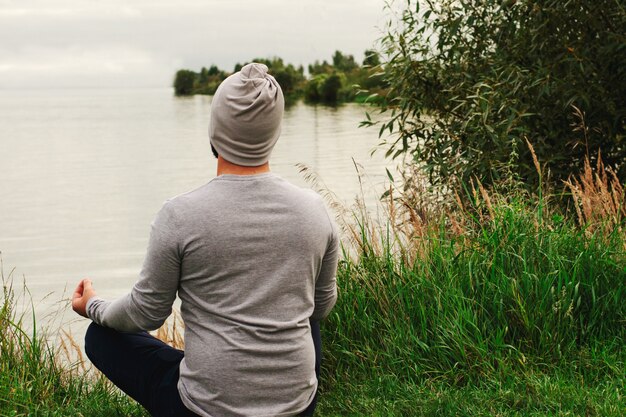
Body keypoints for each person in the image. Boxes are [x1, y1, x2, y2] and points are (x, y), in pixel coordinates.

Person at [71, 63, 339, 417]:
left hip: (203, 410)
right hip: (297, 406)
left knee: (100, 335)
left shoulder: (181, 215)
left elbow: (144, 314)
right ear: (273, 135)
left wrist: (92, 305)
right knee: (306, 316)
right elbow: (321, 308)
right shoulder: (314, 211)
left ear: (215, 132)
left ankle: (214, 375)